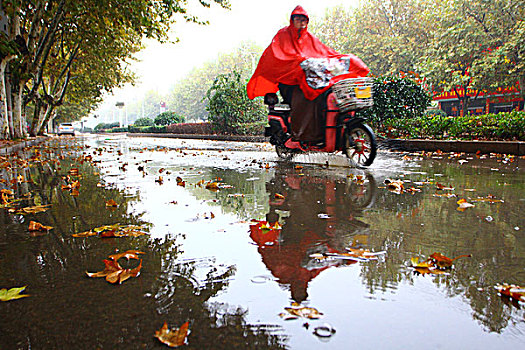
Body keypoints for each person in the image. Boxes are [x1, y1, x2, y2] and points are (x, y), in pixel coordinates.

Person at [247, 5, 369, 143]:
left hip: (310, 80)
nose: (301, 22)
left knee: (326, 96)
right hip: (289, 83)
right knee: (306, 99)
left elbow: (324, 53)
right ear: (292, 20)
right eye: (298, 19)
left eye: (304, 20)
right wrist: (299, 62)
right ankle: (302, 137)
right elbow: (278, 56)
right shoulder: (283, 35)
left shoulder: (310, 38)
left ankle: (326, 135)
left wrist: (340, 61)